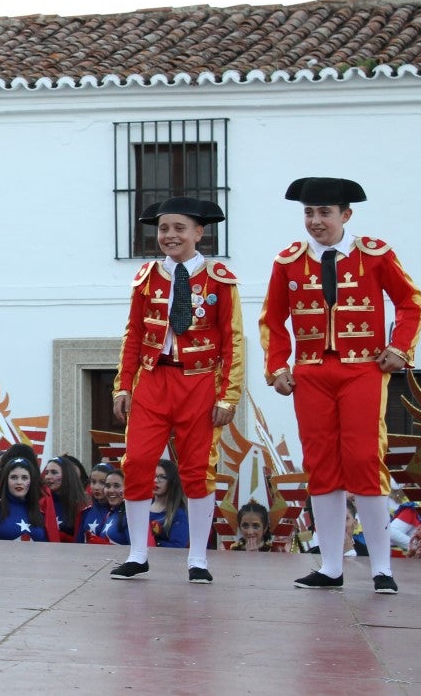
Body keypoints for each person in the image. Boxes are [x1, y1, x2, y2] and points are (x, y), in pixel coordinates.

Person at [259, 177, 421, 595]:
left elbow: (411, 302)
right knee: (321, 465)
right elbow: (272, 320)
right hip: (311, 373)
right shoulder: (287, 262)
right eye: (309, 213)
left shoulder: (376, 254)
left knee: (365, 458)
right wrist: (277, 367)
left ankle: (381, 567)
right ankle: (331, 566)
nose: (315, 221)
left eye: (323, 213)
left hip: (363, 370)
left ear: (345, 215)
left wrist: (400, 348)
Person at [111, 196, 242, 584]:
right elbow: (132, 335)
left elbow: (233, 340)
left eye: (179, 228)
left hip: (200, 381)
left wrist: (228, 395)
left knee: (198, 469)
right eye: (164, 229)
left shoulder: (220, 279)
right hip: (152, 380)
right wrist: (123, 386)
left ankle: (198, 558)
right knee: (136, 463)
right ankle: (137, 554)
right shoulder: (147, 277)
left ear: (199, 233)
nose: (170, 236)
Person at [0, 456, 59, 541]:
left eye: (24, 478)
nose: (19, 482)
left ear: (31, 481)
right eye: (14, 477)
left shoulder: (39, 511)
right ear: (6, 481)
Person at [42, 456, 90, 542]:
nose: (48, 477)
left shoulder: (83, 504)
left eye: (54, 472)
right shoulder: (41, 502)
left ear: (67, 475)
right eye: (46, 473)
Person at [148, 459, 189, 548]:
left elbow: (178, 546)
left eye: (162, 477)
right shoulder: (142, 506)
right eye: (153, 475)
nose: (155, 480)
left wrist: (153, 543)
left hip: (164, 560)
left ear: (172, 481)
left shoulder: (178, 513)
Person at [91, 467, 129, 545]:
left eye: (116, 486)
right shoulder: (110, 514)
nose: (111, 490)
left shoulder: (131, 516)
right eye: (107, 486)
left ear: (127, 488)